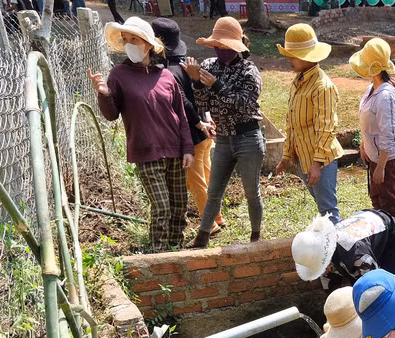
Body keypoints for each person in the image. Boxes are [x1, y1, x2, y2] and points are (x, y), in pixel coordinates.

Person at [90, 17, 193, 252]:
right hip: (145, 151)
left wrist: (187, 148)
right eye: (125, 40)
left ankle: (175, 248)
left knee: (179, 206)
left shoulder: (166, 76)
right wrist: (104, 94)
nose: (129, 44)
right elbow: (111, 115)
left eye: (134, 39)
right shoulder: (119, 75)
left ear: (148, 44)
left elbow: (181, 115)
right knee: (162, 207)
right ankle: (158, 252)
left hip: (175, 151)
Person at [184, 17, 266, 249]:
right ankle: (202, 237)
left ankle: (256, 237)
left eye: (225, 46)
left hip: (247, 137)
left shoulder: (249, 70)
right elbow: (203, 103)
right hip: (223, 138)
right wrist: (197, 81)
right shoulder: (209, 65)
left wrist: (217, 85)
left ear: (236, 46)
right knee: (214, 191)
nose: (220, 50)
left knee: (252, 192)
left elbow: (245, 104)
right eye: (217, 46)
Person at [151, 19, 220, 241]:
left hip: (193, 133)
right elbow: (200, 95)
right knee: (207, 175)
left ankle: (210, 224)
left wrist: (199, 123)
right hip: (205, 131)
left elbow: (184, 103)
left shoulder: (168, 73)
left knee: (195, 182)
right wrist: (206, 118)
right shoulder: (187, 65)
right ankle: (217, 216)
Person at [275, 24, 345, 223]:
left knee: (328, 211)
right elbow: (291, 122)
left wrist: (317, 164)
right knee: (321, 206)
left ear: (307, 56)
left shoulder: (322, 86)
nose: (289, 59)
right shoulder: (298, 81)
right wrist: (287, 155)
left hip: (320, 160)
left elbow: (326, 127)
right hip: (303, 157)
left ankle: (336, 242)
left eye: (293, 55)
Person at [351, 38, 395, 221]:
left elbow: (387, 134)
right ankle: (384, 234)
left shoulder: (385, 96)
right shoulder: (372, 88)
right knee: (377, 201)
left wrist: (381, 167)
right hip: (377, 155)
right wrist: (364, 144)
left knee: (389, 203)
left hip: (388, 159)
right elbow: (370, 123)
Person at [292, 211, 395, 288]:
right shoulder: (324, 247)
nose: (324, 270)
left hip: (393, 235)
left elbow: (377, 287)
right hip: (366, 228)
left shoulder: (358, 258)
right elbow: (330, 286)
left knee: (386, 282)